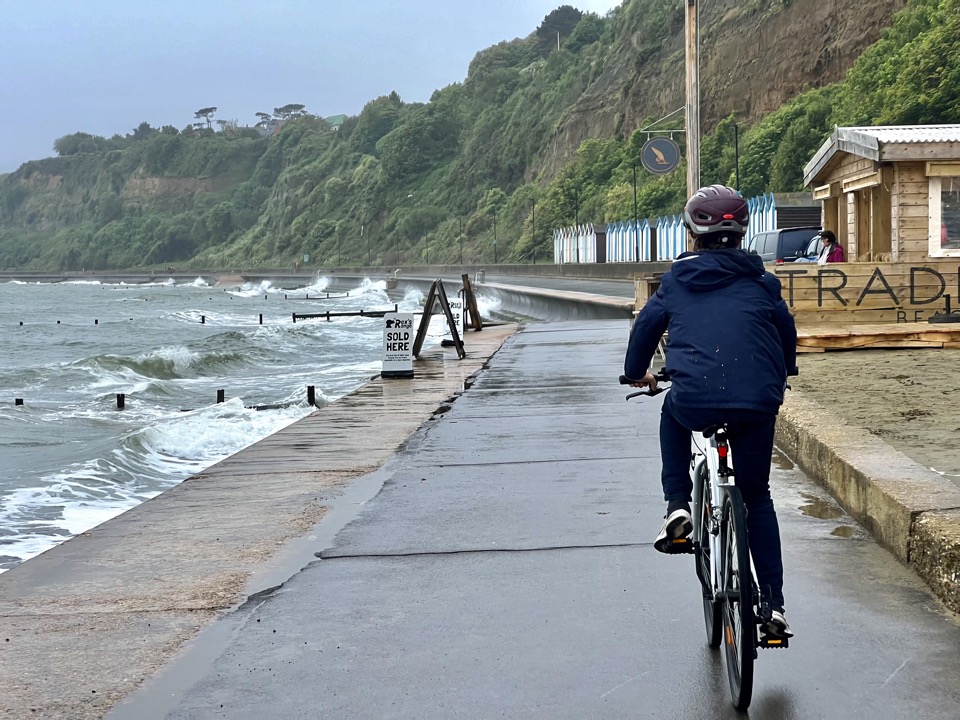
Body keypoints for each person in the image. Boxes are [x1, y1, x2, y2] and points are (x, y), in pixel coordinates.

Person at [623, 184, 798, 639]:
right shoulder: (763, 281)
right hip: (757, 402)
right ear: (742, 232)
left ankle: (677, 505)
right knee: (757, 496)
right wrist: (787, 370)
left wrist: (636, 373)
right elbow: (785, 332)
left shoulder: (676, 281)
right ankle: (773, 606)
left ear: (691, 234)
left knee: (672, 415)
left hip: (696, 397)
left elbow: (645, 328)